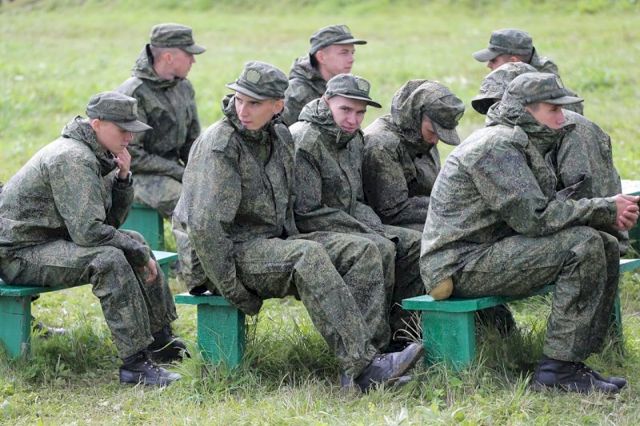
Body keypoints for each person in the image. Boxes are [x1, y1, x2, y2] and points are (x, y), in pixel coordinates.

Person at [172, 61, 423, 392]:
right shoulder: (221, 144)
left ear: (277, 106)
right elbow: (205, 228)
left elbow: (288, 205)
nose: (243, 110)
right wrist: (233, 290)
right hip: (222, 257)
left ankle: (377, 356)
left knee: (363, 250)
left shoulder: (277, 136)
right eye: (239, 99)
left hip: (269, 241)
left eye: (255, 103)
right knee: (306, 256)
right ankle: (363, 366)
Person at [420, 72, 639, 394]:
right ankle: (557, 371)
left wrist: (605, 212)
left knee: (603, 242)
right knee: (583, 244)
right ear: (526, 110)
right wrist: (605, 208)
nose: (563, 117)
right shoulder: (496, 146)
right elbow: (534, 218)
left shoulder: (523, 141)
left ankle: (572, 361)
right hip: (459, 264)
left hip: (488, 249)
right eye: (554, 109)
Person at [0, 92, 186, 386]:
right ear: (97, 124)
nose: (130, 137)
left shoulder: (100, 154)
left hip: (52, 241)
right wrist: (137, 253)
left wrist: (123, 179)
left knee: (134, 238)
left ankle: (160, 340)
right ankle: (135, 364)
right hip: (18, 253)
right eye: (123, 129)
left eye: (132, 129)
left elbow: (108, 225)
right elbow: (89, 233)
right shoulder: (73, 158)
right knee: (109, 259)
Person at [290, 74, 424, 348]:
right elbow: (306, 212)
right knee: (378, 247)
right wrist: (367, 230)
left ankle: (404, 336)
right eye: (345, 109)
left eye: (360, 113)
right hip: (308, 231)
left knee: (414, 244)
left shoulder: (352, 139)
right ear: (326, 101)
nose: (353, 119)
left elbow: (357, 199)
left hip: (349, 223)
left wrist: (372, 226)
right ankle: (373, 348)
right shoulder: (306, 140)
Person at [472, 62, 628, 252]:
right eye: (494, 105)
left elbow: (580, 194)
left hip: (585, 235)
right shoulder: (508, 138)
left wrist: (606, 212)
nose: (501, 111)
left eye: (504, 102)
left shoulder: (570, 131)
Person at [117, 23, 205, 217]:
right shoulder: (134, 93)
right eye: (189, 55)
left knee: (215, 192)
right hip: (135, 175)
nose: (193, 61)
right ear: (168, 57)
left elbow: (192, 142)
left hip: (171, 170)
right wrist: (178, 171)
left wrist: (201, 170)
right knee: (190, 205)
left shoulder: (184, 87)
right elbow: (131, 155)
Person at [362, 80, 465, 231]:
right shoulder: (382, 145)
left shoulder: (420, 137)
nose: (435, 140)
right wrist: (449, 206)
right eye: (433, 132)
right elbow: (392, 210)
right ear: (416, 116)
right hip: (388, 224)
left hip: (422, 214)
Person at [472, 28, 583, 115]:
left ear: (513, 62)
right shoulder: (514, 80)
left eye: (493, 60)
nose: (488, 65)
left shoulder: (541, 97)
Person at [281, 24, 366, 126]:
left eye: (352, 53)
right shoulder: (296, 93)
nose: (351, 59)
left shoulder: (345, 88)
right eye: (344, 53)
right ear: (321, 57)